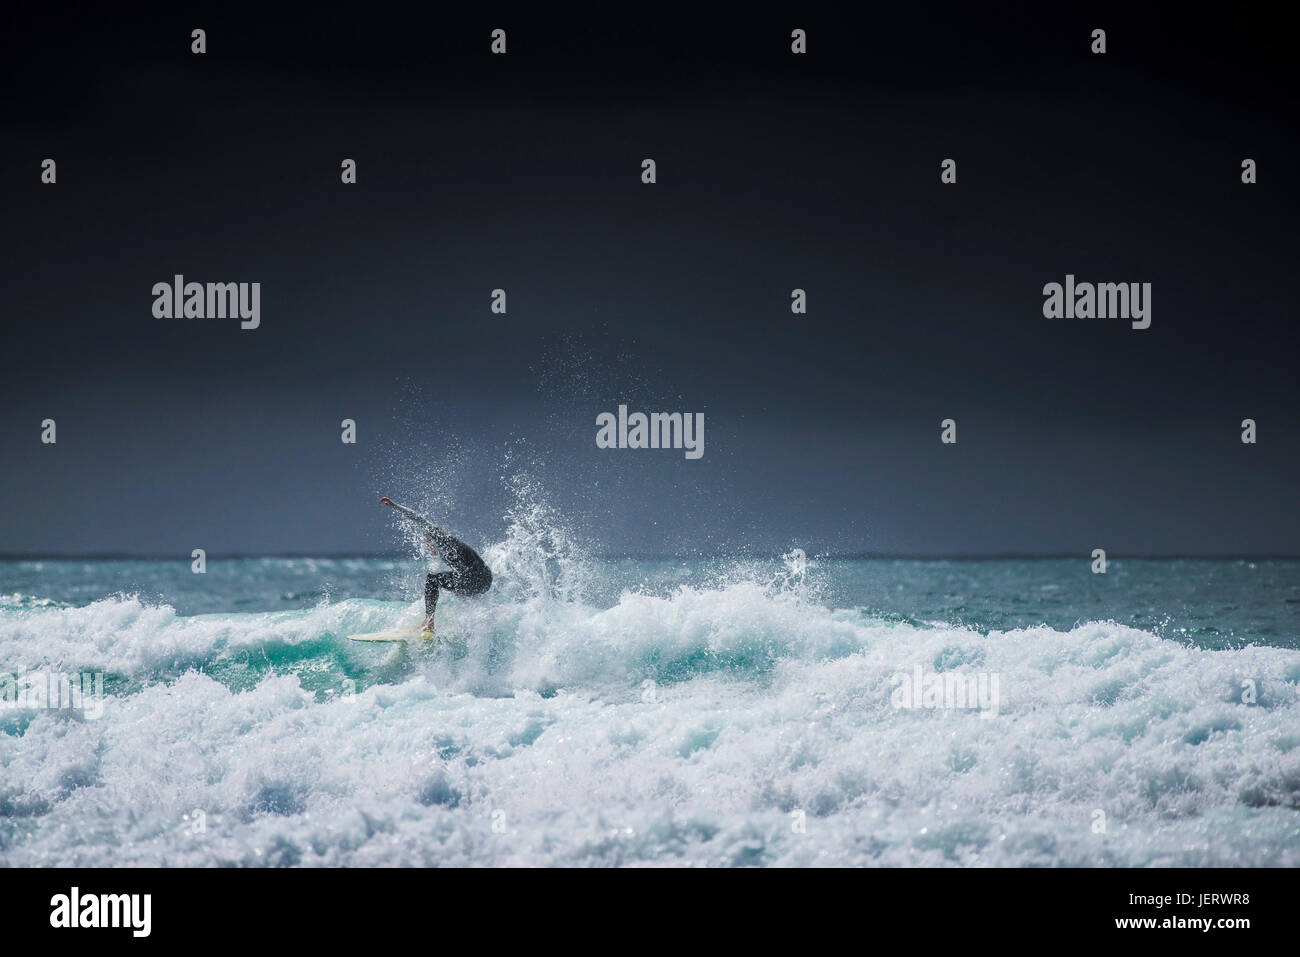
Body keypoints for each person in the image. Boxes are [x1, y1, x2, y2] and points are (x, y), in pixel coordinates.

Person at [379, 497, 492, 637]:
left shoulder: (441, 540)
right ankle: (471, 623)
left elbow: (417, 518)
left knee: (433, 579)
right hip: (485, 580)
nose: (427, 546)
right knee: (454, 584)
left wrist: (395, 506)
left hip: (474, 578)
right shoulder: (448, 542)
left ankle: (429, 622)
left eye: (426, 542)